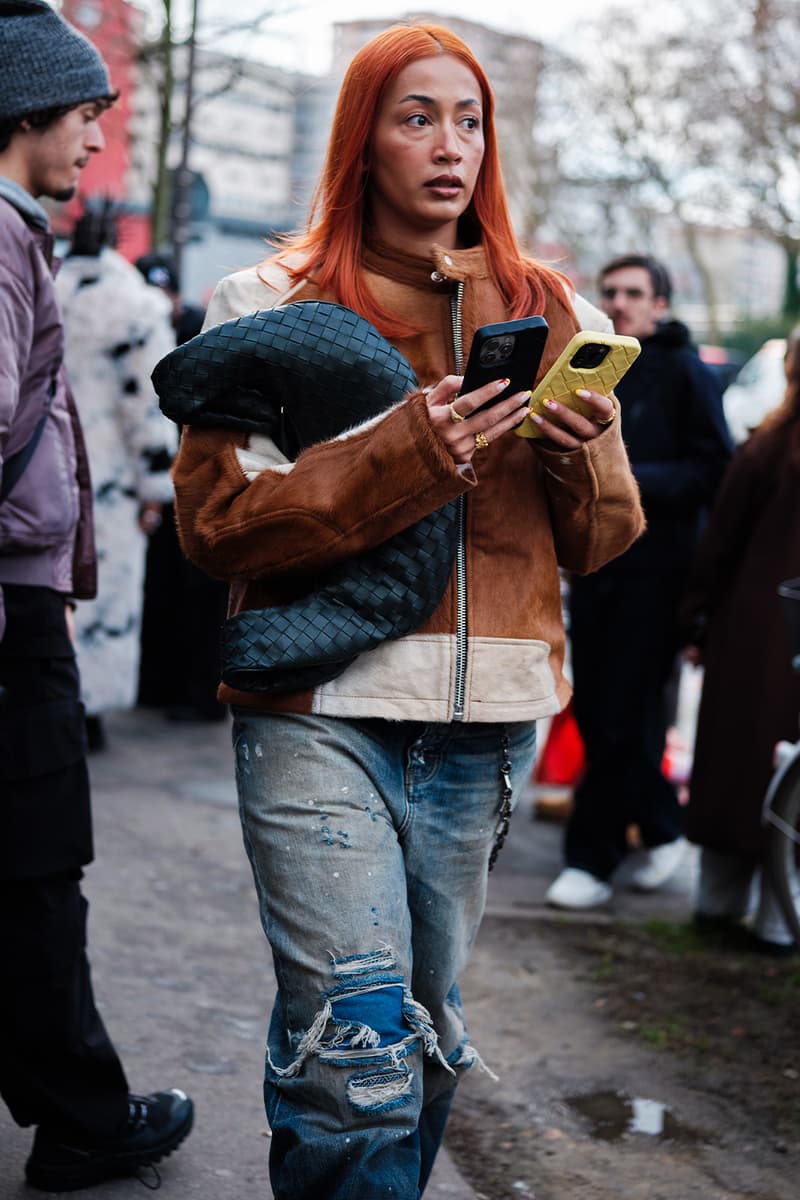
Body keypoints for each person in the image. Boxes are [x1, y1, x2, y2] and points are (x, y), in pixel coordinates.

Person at [168, 23, 644, 1199]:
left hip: (480, 730)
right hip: (318, 708)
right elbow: (216, 524)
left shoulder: (548, 307)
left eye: (468, 119)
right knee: (356, 1044)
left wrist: (584, 451)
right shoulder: (263, 299)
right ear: (361, 141)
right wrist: (406, 448)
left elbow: (600, 542)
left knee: (420, 1033)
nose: (449, 145)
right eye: (416, 116)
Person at [0, 1, 193, 1190]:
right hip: (8, 619)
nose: (95, 139)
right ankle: (81, 1118)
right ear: (22, 109)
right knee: (34, 870)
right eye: (84, 112)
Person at [546, 253, 733, 910]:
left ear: (660, 303)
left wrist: (627, 481)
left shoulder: (686, 372)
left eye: (633, 293)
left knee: (624, 714)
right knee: (601, 711)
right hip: (597, 569)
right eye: (610, 292)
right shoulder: (592, 362)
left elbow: (715, 470)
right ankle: (660, 825)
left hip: (658, 577)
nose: (619, 303)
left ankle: (592, 860)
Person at [681, 327, 800, 954]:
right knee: (787, 776)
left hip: (755, 632)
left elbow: (720, 544)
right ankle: (780, 920)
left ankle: (717, 904)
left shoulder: (766, 448)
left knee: (740, 761)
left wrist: (698, 617)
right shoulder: (767, 449)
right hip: (768, 632)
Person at [55, 206, 177, 750]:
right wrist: (156, 489)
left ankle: (51, 699)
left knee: (49, 589)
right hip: (108, 479)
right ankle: (89, 710)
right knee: (104, 591)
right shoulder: (135, 305)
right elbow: (149, 407)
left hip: (40, 473)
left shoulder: (42, 287)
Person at [134, 252, 228, 724]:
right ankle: (160, 684)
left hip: (196, 478)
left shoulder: (200, 329)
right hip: (159, 476)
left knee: (198, 592)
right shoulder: (135, 327)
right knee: (164, 588)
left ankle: (198, 691)